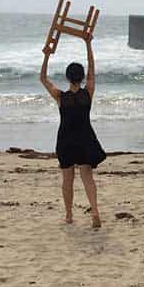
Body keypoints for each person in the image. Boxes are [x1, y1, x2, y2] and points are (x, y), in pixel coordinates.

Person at [39, 35, 105, 228]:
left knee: (67, 179)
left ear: (67, 78)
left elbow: (43, 78)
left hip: (66, 139)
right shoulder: (88, 93)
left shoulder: (61, 97)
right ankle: (95, 212)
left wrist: (46, 56)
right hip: (85, 138)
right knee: (87, 177)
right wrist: (88, 44)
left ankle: (68, 215)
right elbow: (92, 69)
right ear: (82, 77)